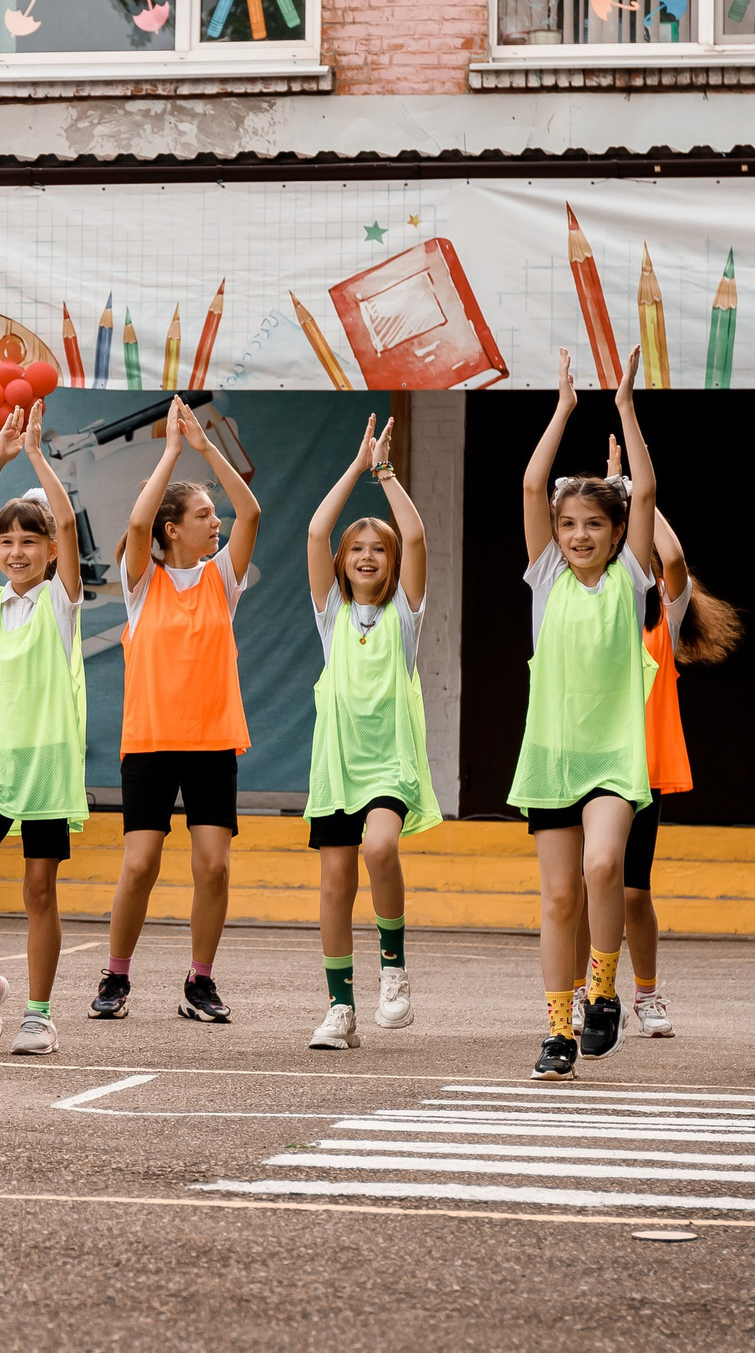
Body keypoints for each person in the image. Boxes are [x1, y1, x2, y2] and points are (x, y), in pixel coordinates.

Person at [566, 438, 743, 1042]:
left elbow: (673, 559)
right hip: (587, 762)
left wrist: (631, 494)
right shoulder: (587, 603)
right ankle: (588, 996)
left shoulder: (659, 614)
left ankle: (645, 992)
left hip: (641, 767)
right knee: (584, 885)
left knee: (633, 892)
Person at [513, 346, 658, 1080]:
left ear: (614, 530)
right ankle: (558, 1029)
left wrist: (625, 409)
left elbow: (648, 489)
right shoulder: (546, 578)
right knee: (560, 894)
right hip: (552, 757)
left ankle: (603, 989)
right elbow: (535, 480)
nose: (577, 535)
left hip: (613, 756)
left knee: (605, 865)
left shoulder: (630, 578)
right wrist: (564, 405)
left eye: (593, 524)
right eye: (568, 524)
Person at [94, 398, 262, 1027]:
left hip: (214, 741)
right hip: (151, 743)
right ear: (173, 529)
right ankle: (116, 973)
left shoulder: (224, 580)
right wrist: (169, 453)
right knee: (140, 862)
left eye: (212, 515)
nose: (215, 523)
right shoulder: (142, 582)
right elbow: (137, 529)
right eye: (202, 515)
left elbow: (251, 509)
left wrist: (202, 448)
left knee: (213, 866)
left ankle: (201, 980)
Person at [298, 415, 442, 1051]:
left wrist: (384, 474)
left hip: (387, 765)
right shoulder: (331, 616)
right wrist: (354, 467)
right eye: (356, 549)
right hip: (336, 768)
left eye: (376, 549)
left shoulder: (404, 618)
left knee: (380, 849)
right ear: (342, 563)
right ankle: (339, 1010)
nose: (365, 555)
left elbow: (414, 533)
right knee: (334, 885)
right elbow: (314, 529)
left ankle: (394, 967)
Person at [0, 404, 87, 1057]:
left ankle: (38, 1013)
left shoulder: (61, 602)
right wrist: (0, 455)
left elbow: (64, 517)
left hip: (46, 767)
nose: (16, 551)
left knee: (39, 888)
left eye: (29, 542)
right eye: (9, 542)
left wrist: (36, 454)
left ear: (52, 552)